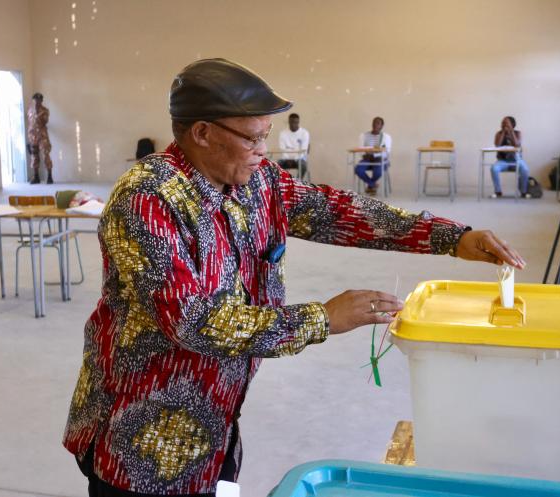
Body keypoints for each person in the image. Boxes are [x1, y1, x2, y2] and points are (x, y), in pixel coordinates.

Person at [63, 58, 525, 497]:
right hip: (141, 444)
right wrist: (322, 318)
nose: (264, 151)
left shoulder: (257, 180)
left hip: (215, 427)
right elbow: (195, 321)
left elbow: (336, 211)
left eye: (267, 137)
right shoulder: (147, 200)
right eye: (253, 138)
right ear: (202, 133)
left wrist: (450, 238)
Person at [491, 116, 530, 198]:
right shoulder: (498, 133)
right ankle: (498, 191)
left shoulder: (518, 133)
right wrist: (503, 133)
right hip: (503, 161)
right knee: (494, 168)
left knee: (525, 169)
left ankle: (524, 192)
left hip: (516, 160)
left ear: (512, 124)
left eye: (506, 123)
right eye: (502, 123)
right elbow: (497, 145)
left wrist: (511, 132)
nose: (503, 124)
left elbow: (517, 144)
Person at [354, 117, 392, 195]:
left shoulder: (386, 137)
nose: (375, 125)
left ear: (381, 126)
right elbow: (361, 149)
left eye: (378, 123)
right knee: (358, 169)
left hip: (380, 159)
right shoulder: (364, 135)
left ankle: (370, 186)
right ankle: (373, 184)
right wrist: (364, 154)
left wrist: (375, 155)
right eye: (374, 122)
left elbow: (387, 151)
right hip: (367, 159)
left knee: (378, 172)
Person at [27, 92, 53, 184]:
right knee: (34, 156)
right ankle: (36, 177)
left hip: (42, 135)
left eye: (39, 100)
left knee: (46, 154)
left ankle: (49, 176)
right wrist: (29, 136)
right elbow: (30, 123)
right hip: (32, 136)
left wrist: (38, 115)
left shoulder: (45, 110)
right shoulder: (30, 110)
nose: (37, 102)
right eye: (35, 100)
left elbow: (45, 122)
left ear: (41, 100)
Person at [277, 113, 309, 180]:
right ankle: (283, 183)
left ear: (298, 122)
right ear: (289, 122)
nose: (293, 124)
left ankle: (297, 183)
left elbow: (303, 150)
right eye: (291, 122)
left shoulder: (304, 133)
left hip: (300, 158)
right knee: (276, 167)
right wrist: (287, 158)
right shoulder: (283, 133)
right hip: (286, 159)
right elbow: (282, 149)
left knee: (303, 166)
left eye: (295, 122)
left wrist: (294, 159)